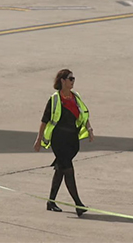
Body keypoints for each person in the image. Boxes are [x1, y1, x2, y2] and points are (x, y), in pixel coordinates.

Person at [35, 67, 93, 216]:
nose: (73, 82)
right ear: (62, 81)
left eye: (73, 79)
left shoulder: (75, 97)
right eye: (70, 79)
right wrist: (39, 138)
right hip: (59, 140)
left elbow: (83, 113)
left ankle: (51, 201)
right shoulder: (54, 99)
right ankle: (78, 204)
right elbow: (44, 120)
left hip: (72, 140)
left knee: (61, 169)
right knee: (68, 170)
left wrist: (89, 129)